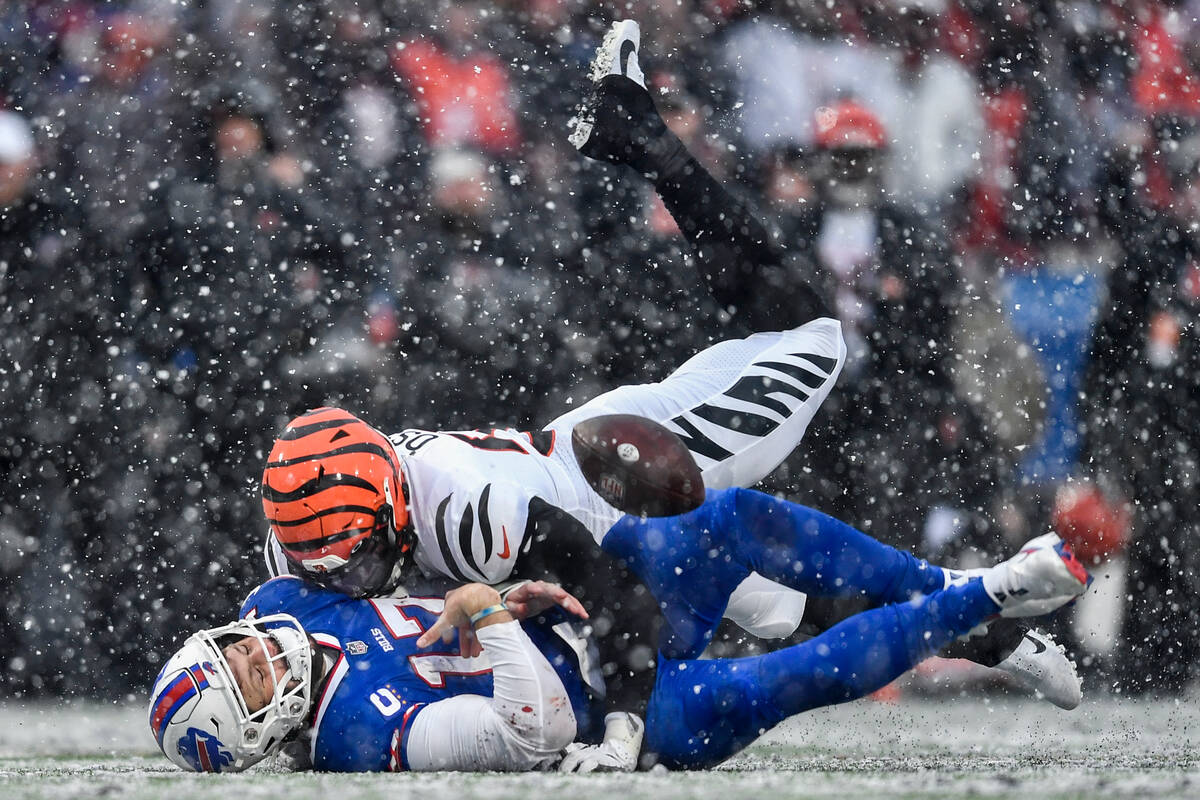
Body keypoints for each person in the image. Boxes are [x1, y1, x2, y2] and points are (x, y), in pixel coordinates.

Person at [255, 20, 1081, 718]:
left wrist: (617, 725)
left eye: (364, 556)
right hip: (583, 468)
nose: (358, 576)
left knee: (812, 338)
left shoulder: (472, 513)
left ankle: (643, 139)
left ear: (393, 503)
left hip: (617, 479)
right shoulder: (315, 522)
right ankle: (993, 629)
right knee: (785, 608)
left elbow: (615, 602)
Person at [148, 492, 1092, 773]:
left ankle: (967, 602)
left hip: (595, 613)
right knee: (796, 677)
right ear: (259, 737)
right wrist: (487, 611)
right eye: (246, 679)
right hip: (612, 717)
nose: (255, 653)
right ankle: (997, 591)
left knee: (730, 519)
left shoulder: (284, 603)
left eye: (231, 645)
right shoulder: (357, 735)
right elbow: (532, 734)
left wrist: (502, 586)